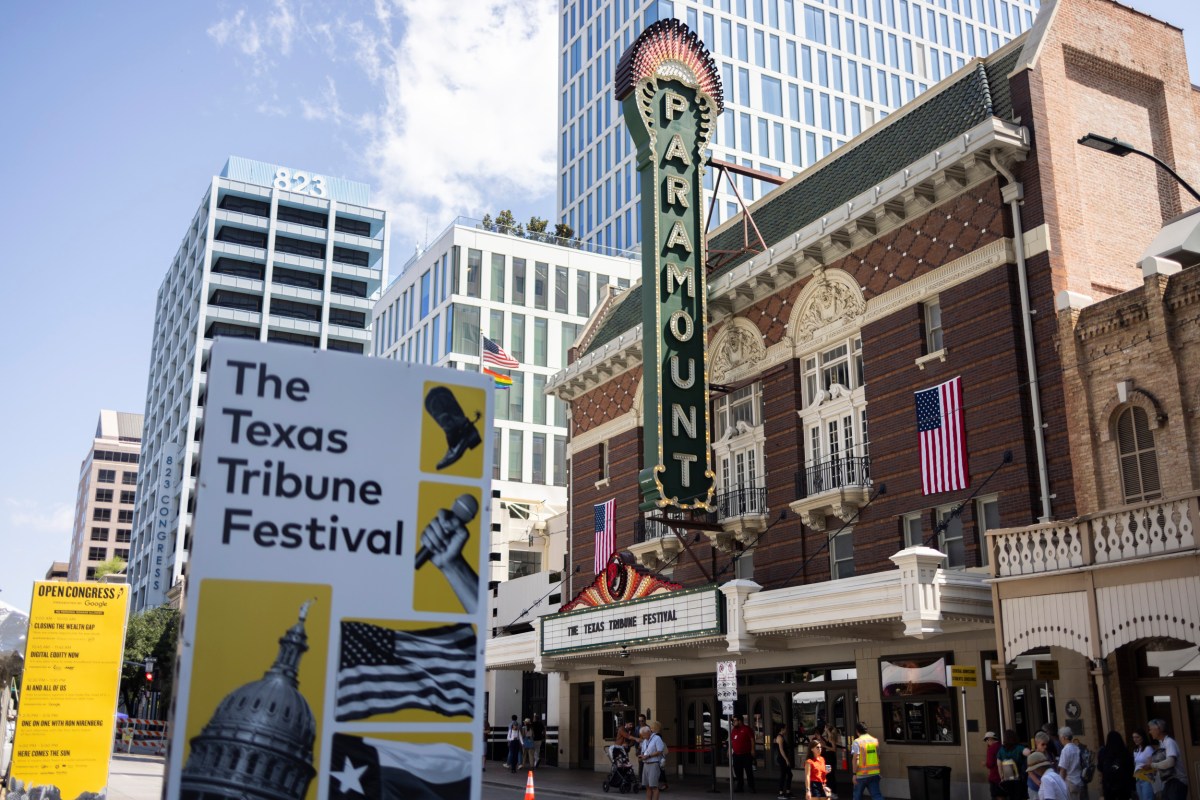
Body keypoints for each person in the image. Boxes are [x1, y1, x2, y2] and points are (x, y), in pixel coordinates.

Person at [1147, 718, 1189, 800]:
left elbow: (1170, 762)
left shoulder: (1169, 742)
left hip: (1177, 781)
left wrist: (1152, 765)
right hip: (1169, 782)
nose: (1150, 732)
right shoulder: (1162, 743)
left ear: (1158, 729)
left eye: (1151, 729)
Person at [850, 722, 883, 800]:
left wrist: (854, 774)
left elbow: (856, 758)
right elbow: (878, 756)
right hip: (874, 774)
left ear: (857, 731)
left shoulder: (857, 742)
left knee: (857, 797)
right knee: (877, 796)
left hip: (861, 775)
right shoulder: (874, 741)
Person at [1097, 731, 1133, 800]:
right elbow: (1130, 767)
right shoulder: (1124, 751)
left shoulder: (1103, 752)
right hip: (1123, 783)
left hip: (1108, 783)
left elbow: (1100, 767)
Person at [998, 729, 1029, 800]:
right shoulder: (1019, 748)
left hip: (1007, 779)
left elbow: (999, 766)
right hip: (1019, 779)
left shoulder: (1001, 750)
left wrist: (1002, 778)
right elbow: (1027, 752)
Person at [638, 724, 666, 800]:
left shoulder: (657, 738)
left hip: (654, 764)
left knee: (654, 787)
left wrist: (649, 756)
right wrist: (641, 756)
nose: (643, 737)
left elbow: (660, 751)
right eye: (642, 735)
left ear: (649, 732)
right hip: (646, 764)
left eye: (644, 735)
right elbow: (643, 752)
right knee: (647, 787)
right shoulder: (645, 741)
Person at [731, 714, 756, 793]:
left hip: (746, 754)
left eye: (735, 720)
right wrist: (729, 750)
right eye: (733, 721)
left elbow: (752, 739)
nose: (733, 722)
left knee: (749, 771)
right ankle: (740, 787)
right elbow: (732, 740)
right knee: (738, 772)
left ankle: (751, 787)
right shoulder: (734, 730)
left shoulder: (746, 729)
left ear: (740, 721)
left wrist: (752, 750)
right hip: (736, 754)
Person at [1057, 728, 1083, 800]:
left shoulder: (1065, 750)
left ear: (1064, 738)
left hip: (1070, 782)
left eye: (1060, 737)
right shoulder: (1076, 748)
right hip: (1079, 781)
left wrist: (1060, 784)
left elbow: (1063, 769)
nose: (1060, 740)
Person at [1129, 729, 1155, 800]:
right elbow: (1136, 764)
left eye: (1137, 737)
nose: (1135, 739)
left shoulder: (1148, 749)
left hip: (1146, 777)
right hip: (1138, 777)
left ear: (1143, 737)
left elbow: (1152, 764)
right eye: (1133, 737)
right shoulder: (1136, 750)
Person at [773, 726, 793, 799]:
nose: (786, 730)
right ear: (782, 729)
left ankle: (788, 792)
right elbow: (781, 750)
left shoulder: (781, 737)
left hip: (783, 758)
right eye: (785, 729)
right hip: (782, 759)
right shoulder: (780, 737)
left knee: (789, 775)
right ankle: (781, 793)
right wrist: (786, 759)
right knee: (784, 775)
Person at [983, 731, 1003, 799]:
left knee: (996, 796)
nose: (987, 742)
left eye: (987, 740)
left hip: (995, 776)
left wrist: (985, 763)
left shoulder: (991, 749)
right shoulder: (1002, 746)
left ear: (990, 739)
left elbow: (990, 764)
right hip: (1004, 776)